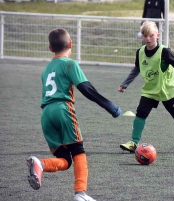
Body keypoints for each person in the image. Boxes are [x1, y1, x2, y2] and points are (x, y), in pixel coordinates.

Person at [26, 28, 121, 201]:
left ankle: (40, 164)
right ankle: (80, 193)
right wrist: (110, 106)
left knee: (65, 159)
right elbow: (86, 88)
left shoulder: (46, 69)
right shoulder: (70, 64)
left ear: (50, 48)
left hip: (46, 114)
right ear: (70, 44)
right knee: (78, 151)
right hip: (63, 109)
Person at [118, 21, 174, 153]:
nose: (148, 39)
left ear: (157, 35)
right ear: (142, 36)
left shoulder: (164, 51)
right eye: (145, 36)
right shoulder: (140, 52)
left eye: (151, 35)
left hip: (167, 91)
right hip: (150, 90)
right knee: (141, 113)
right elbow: (137, 69)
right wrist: (125, 84)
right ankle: (134, 143)